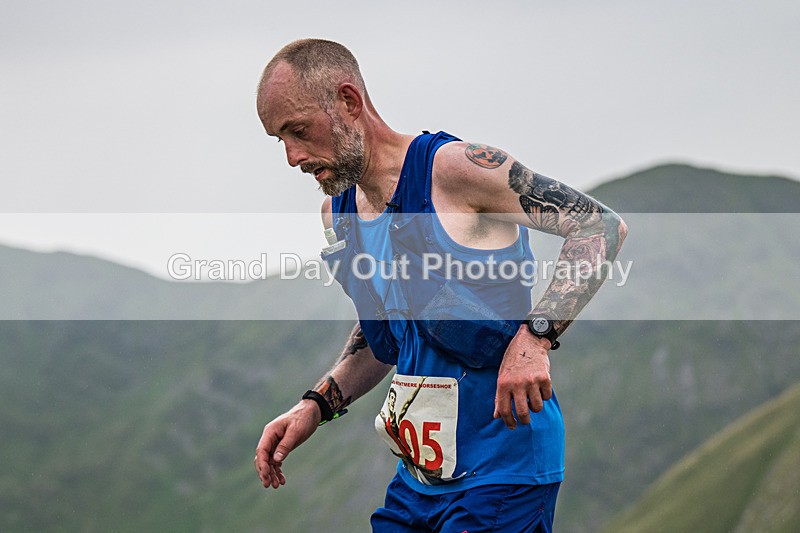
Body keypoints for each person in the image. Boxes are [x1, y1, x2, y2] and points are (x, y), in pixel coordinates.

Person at [253, 39, 627, 532]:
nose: (292, 156)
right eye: (279, 139)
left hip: (503, 473)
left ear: (348, 101)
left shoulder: (456, 170)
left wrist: (536, 338)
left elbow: (599, 226)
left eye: (297, 131)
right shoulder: (338, 212)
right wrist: (317, 404)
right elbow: (387, 339)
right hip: (418, 482)